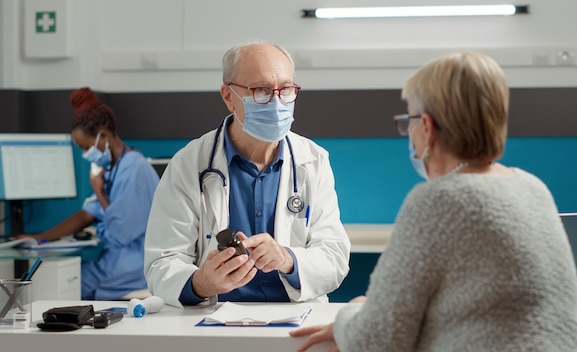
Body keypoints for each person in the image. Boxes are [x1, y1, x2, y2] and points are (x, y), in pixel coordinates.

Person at [290, 52, 577, 351]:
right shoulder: (531, 187)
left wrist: (354, 311)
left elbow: (378, 339)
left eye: (410, 120)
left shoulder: (438, 201)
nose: (410, 131)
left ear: (428, 127)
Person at [143, 41, 350, 308]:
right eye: (261, 90)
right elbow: (161, 263)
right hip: (213, 324)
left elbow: (334, 257)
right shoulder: (188, 164)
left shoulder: (313, 161)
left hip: (295, 321)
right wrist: (200, 283)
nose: (277, 102)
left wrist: (288, 260)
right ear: (228, 96)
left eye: (285, 89)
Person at [19, 87, 160, 300]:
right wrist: (40, 238)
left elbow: (120, 233)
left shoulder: (134, 169)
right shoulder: (115, 168)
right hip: (118, 260)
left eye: (85, 147)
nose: (86, 154)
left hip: (132, 267)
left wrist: (99, 191)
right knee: (67, 278)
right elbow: (88, 214)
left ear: (102, 137)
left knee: (62, 285)